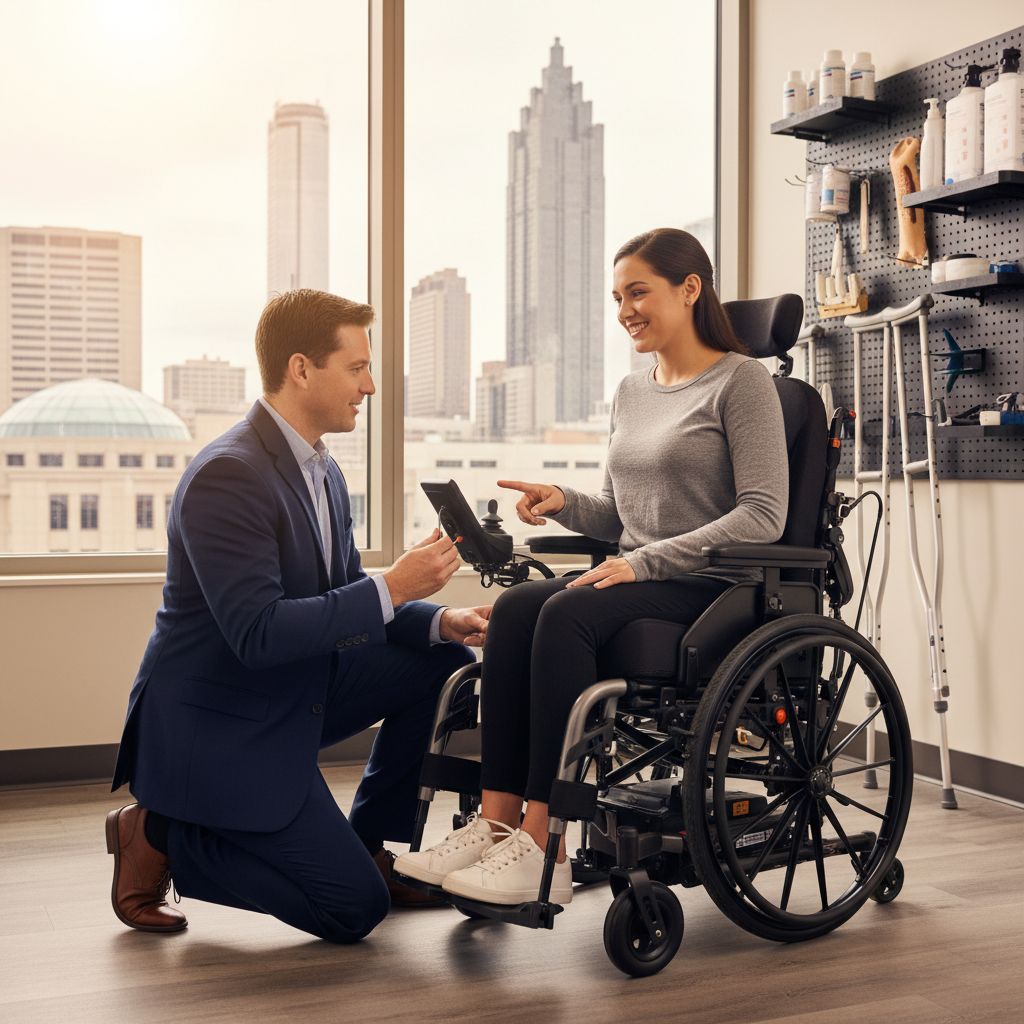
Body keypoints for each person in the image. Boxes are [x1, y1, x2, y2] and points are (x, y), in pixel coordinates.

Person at [396, 227, 789, 905]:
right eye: (617, 297)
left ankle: (545, 843)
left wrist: (645, 564)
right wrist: (565, 504)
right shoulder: (632, 392)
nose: (625, 309)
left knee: (567, 612)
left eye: (639, 291)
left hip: (712, 588)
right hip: (642, 576)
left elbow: (763, 516)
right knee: (521, 607)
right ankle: (496, 823)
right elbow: (620, 513)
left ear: (690, 289)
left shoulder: (742, 382)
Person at [106, 289, 491, 943]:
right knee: (352, 910)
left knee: (443, 662)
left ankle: (370, 842)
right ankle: (159, 833)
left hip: (289, 686)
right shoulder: (228, 475)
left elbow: (340, 594)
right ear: (301, 369)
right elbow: (259, 634)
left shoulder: (322, 470)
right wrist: (392, 585)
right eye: (357, 368)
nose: (369, 386)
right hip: (219, 723)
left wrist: (435, 618)